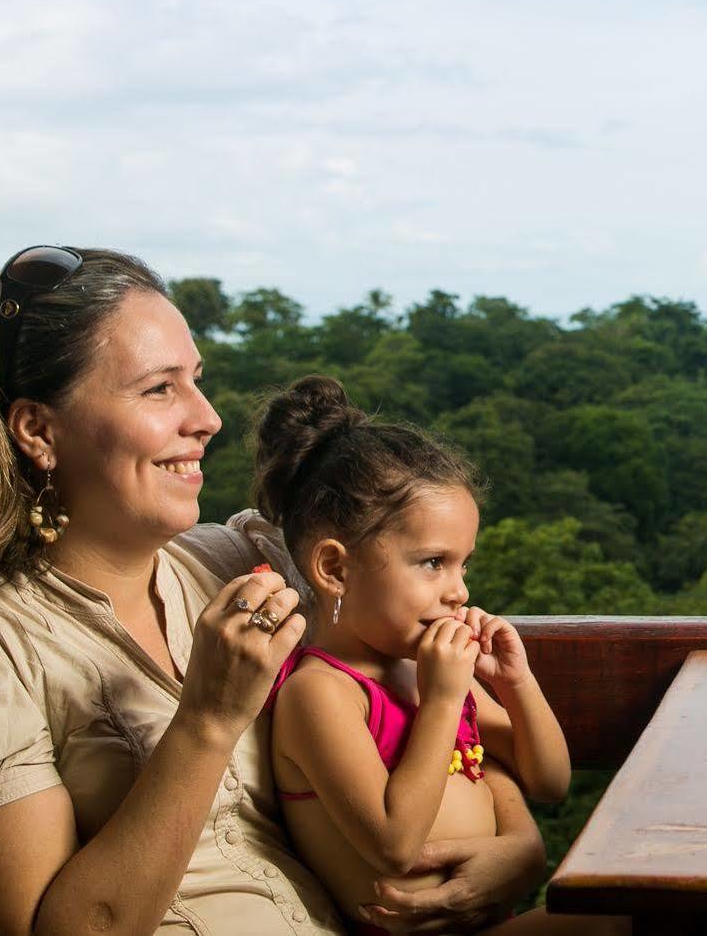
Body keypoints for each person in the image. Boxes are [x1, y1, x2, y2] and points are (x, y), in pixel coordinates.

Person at [0, 245, 543, 934]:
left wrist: (516, 851)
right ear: (39, 430)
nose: (208, 417)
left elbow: (435, 712)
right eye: (159, 389)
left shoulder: (239, 563)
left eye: (196, 380)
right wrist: (206, 720)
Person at [253, 376, 606, 934]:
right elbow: (394, 846)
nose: (459, 590)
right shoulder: (320, 693)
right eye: (433, 563)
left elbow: (549, 782)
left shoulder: (433, 670)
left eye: (464, 564)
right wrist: (443, 701)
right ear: (335, 569)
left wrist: (517, 684)